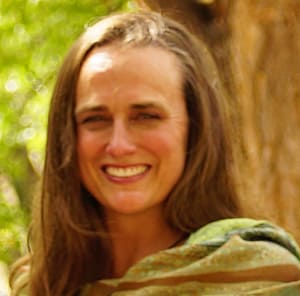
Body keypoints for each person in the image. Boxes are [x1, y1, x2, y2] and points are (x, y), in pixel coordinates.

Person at [9, 11, 300, 296]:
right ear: (67, 135)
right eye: (95, 119)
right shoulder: (40, 286)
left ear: (195, 126)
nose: (119, 145)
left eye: (146, 116)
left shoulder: (259, 274)